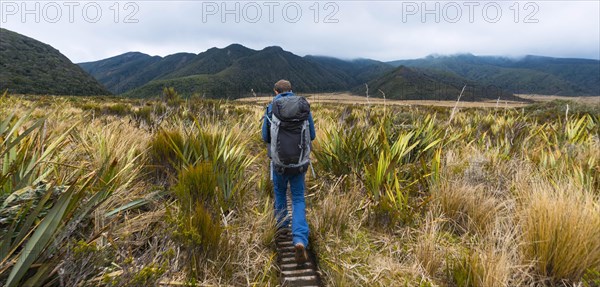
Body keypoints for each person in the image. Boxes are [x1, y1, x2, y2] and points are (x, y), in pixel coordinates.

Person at [262, 79, 316, 264]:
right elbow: (313, 135)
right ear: (291, 90)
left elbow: (265, 137)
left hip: (279, 163)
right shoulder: (303, 106)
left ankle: (283, 226)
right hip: (300, 163)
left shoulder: (271, 107)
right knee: (299, 198)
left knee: (279, 193)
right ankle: (300, 239)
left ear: (276, 91)